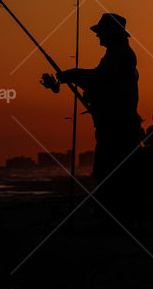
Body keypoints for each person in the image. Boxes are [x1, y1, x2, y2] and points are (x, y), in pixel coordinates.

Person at [45, 13, 142, 223]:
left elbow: (97, 79)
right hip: (117, 126)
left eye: (100, 33)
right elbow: (99, 81)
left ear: (110, 34)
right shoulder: (116, 54)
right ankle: (115, 218)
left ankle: (114, 220)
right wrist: (65, 79)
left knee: (109, 173)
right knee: (110, 173)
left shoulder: (121, 55)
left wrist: (67, 75)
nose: (97, 37)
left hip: (119, 129)